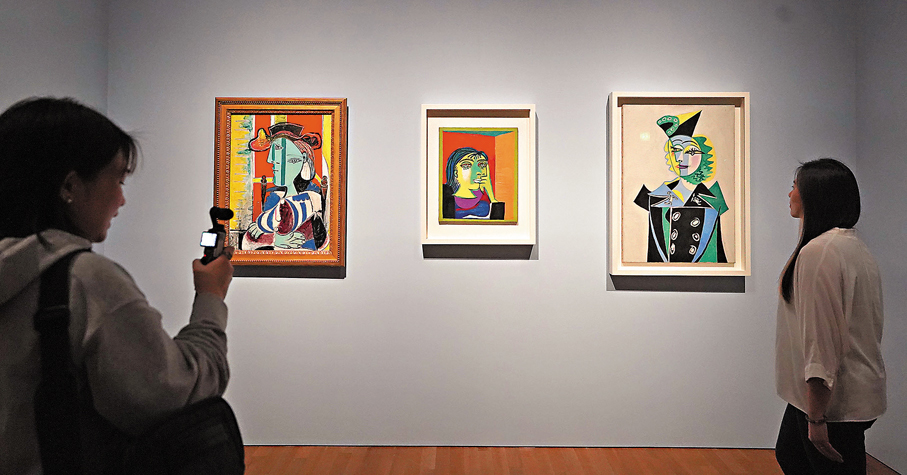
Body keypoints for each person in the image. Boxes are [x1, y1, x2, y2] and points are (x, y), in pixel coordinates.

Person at [0, 97, 235, 473]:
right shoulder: (85, 281)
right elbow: (176, 392)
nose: (122, 199)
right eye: (118, 179)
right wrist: (210, 296)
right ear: (70, 185)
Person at [774, 158, 886, 474]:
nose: (790, 194)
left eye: (795, 187)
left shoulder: (819, 253)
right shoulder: (851, 246)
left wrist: (817, 417)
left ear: (814, 196)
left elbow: (820, 339)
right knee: (790, 454)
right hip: (836, 394)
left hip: (833, 402)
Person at [634, 110, 728, 263]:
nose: (681, 158)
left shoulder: (714, 199)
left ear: (704, 155)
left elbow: (718, 252)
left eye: (691, 151)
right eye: (676, 150)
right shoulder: (655, 198)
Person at [242, 122, 327, 250]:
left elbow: (319, 243)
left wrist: (268, 237)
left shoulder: (311, 199)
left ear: (303, 158)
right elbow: (248, 242)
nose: (270, 160)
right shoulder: (274, 198)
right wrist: (274, 239)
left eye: (278, 150)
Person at [441, 147, 504, 220]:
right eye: (466, 166)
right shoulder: (445, 196)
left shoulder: (485, 202)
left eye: (482, 165)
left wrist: (492, 197)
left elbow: (498, 224)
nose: (478, 172)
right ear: (455, 173)